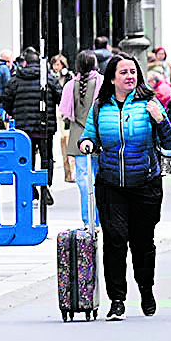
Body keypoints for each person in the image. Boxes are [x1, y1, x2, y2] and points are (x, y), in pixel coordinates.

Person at [79, 55, 171, 321]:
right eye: (123, 72)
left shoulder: (150, 103)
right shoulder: (100, 106)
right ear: (112, 78)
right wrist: (86, 143)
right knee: (114, 241)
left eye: (133, 71)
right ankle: (117, 300)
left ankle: (146, 290)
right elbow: (89, 134)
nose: (129, 76)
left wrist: (160, 119)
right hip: (110, 184)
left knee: (143, 242)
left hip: (145, 183)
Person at [2, 48, 62, 201]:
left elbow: (6, 100)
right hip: (44, 127)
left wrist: (12, 113)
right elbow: (59, 97)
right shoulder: (48, 79)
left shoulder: (16, 79)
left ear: (25, 63)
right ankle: (44, 186)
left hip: (23, 128)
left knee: (27, 159)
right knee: (46, 158)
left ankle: (30, 187)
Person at [60, 50, 101, 227]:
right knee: (100, 179)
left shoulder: (71, 85)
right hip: (99, 135)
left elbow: (65, 113)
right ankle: (99, 219)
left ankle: (88, 219)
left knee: (83, 179)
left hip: (78, 135)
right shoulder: (102, 82)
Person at [50, 54, 74, 183]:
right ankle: (67, 173)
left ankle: (70, 172)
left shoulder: (69, 77)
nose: (56, 67)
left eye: (58, 64)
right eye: (54, 64)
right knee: (62, 141)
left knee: (67, 139)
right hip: (55, 112)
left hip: (65, 112)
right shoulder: (50, 78)